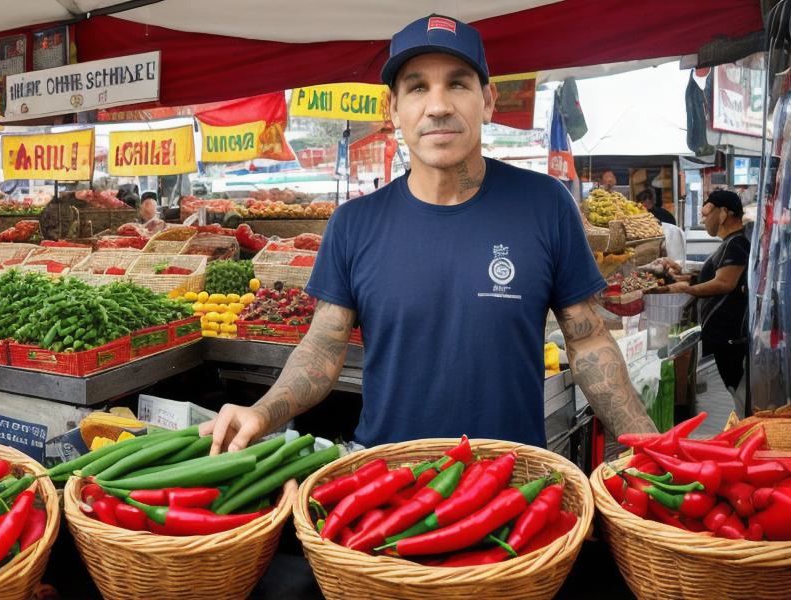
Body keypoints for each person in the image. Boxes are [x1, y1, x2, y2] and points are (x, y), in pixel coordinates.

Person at [202, 14, 656, 454]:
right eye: (418, 87)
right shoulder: (354, 223)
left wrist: (651, 446)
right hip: (389, 488)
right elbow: (323, 346)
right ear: (392, 109)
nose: (438, 106)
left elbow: (588, 339)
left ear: (489, 100)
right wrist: (261, 413)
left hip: (512, 483)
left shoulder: (545, 204)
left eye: (457, 83)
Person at [654, 190, 750, 397]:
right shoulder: (730, 243)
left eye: (707, 214)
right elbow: (713, 276)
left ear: (724, 214)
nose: (703, 219)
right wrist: (682, 275)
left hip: (731, 340)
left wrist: (687, 289)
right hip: (724, 340)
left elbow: (724, 283)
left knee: (739, 397)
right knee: (736, 395)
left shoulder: (737, 244)